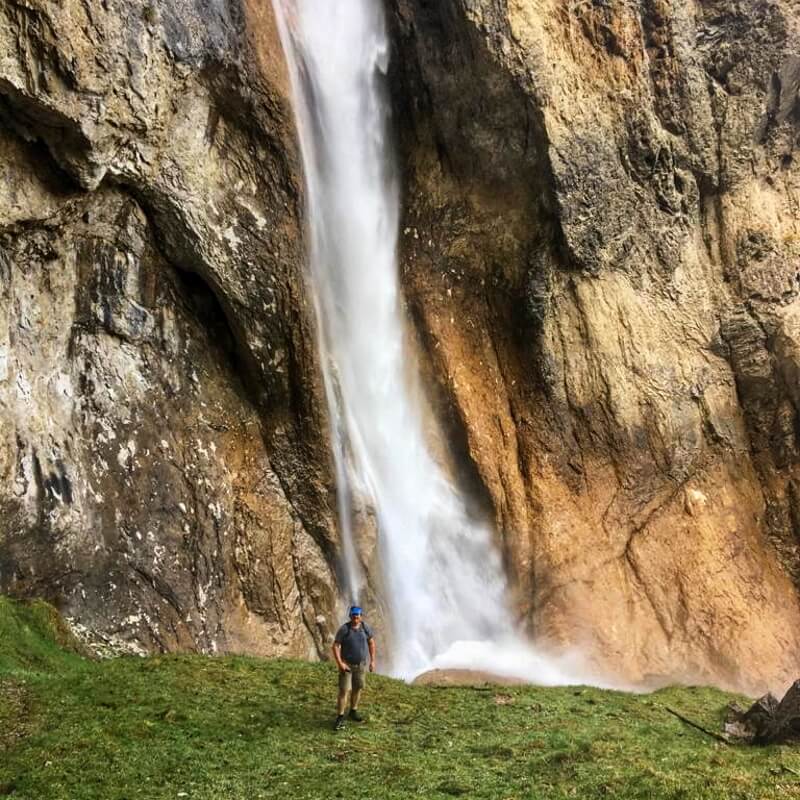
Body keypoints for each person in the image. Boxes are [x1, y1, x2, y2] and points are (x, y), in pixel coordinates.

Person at [332, 605, 376, 731]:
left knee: (358, 688)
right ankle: (340, 717)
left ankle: (353, 711)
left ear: (361, 617)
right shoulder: (344, 629)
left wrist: (372, 661)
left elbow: (371, 642)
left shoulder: (365, 628)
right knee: (344, 690)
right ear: (350, 616)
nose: (355, 618)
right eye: (353, 615)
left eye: (357, 615)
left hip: (361, 665)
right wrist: (340, 663)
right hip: (347, 665)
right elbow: (335, 646)